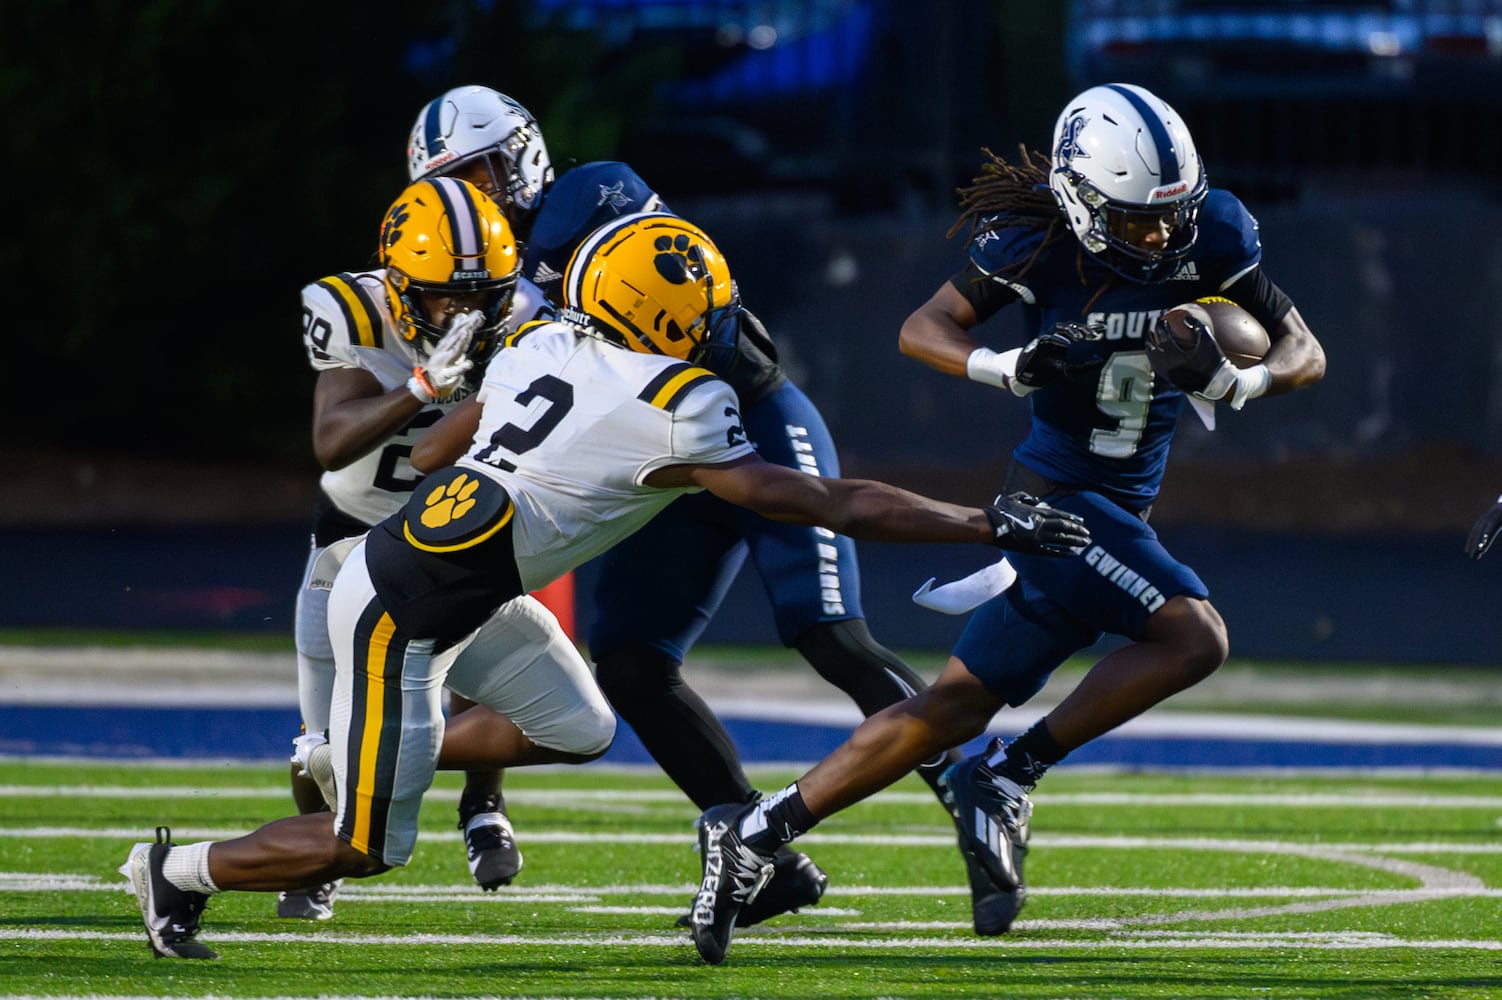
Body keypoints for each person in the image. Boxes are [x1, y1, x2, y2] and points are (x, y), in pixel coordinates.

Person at [119, 204, 1089, 962]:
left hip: (458, 586)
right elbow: (819, 501)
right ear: (659, 315)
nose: (720, 323)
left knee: (580, 727)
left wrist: (472, 410)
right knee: (367, 846)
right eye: (703, 311)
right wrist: (976, 518)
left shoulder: (543, 345)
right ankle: (173, 869)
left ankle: (355, 750)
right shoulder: (676, 404)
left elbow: (426, 463)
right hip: (395, 617)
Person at [683, 82, 1327, 965]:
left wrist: (1242, 382)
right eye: (1137, 220)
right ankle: (1008, 773)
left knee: (947, 708)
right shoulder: (1035, 242)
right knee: (1193, 636)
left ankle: (755, 833)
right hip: (1057, 502)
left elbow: (1305, 351)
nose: (1160, 237)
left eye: (1169, 217)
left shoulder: (1214, 231)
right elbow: (923, 327)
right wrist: (1010, 364)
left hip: (1118, 512)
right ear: (1080, 197)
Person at [405, 85, 1018, 931]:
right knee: (627, 665)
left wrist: (493, 316)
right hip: (657, 459)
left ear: (520, 152)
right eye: (457, 182)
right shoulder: (499, 277)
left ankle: (970, 796)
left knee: (827, 631)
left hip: (748, 420)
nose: (476, 195)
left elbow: (594, 305)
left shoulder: (590, 196)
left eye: (481, 170)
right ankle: (749, 844)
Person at [282, 148, 542, 919]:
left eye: (480, 295)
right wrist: (423, 387)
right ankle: (310, 852)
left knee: (494, 684)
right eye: (439, 298)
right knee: (323, 732)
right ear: (396, 281)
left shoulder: (526, 315)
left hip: (459, 523)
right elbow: (333, 442)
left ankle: (482, 806)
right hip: (354, 531)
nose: (459, 314)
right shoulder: (350, 309)